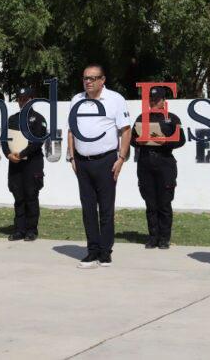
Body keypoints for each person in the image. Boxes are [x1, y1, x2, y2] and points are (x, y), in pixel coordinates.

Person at [67, 64, 131, 268]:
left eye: (93, 78)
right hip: (82, 162)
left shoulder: (115, 100)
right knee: (87, 209)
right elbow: (71, 130)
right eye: (85, 78)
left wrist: (121, 158)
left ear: (103, 80)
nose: (88, 81)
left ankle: (105, 251)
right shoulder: (76, 100)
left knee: (105, 208)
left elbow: (126, 130)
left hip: (106, 161)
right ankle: (92, 250)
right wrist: (72, 157)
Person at [131, 86, 185, 249]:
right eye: (151, 100)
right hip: (146, 163)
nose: (153, 102)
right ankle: (153, 237)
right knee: (150, 203)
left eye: (157, 100)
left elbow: (181, 140)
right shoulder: (141, 117)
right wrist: (137, 142)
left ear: (163, 101)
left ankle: (164, 238)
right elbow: (132, 139)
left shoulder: (172, 118)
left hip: (165, 162)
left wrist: (166, 141)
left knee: (164, 203)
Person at [1, 87, 48, 242]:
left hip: (32, 163)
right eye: (20, 99)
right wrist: (8, 154)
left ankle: (31, 230)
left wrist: (21, 154)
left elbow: (37, 142)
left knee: (31, 196)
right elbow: (4, 140)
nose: (22, 102)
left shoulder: (38, 119)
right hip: (15, 163)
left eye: (25, 99)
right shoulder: (12, 119)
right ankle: (19, 230)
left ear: (32, 99)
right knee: (18, 196)